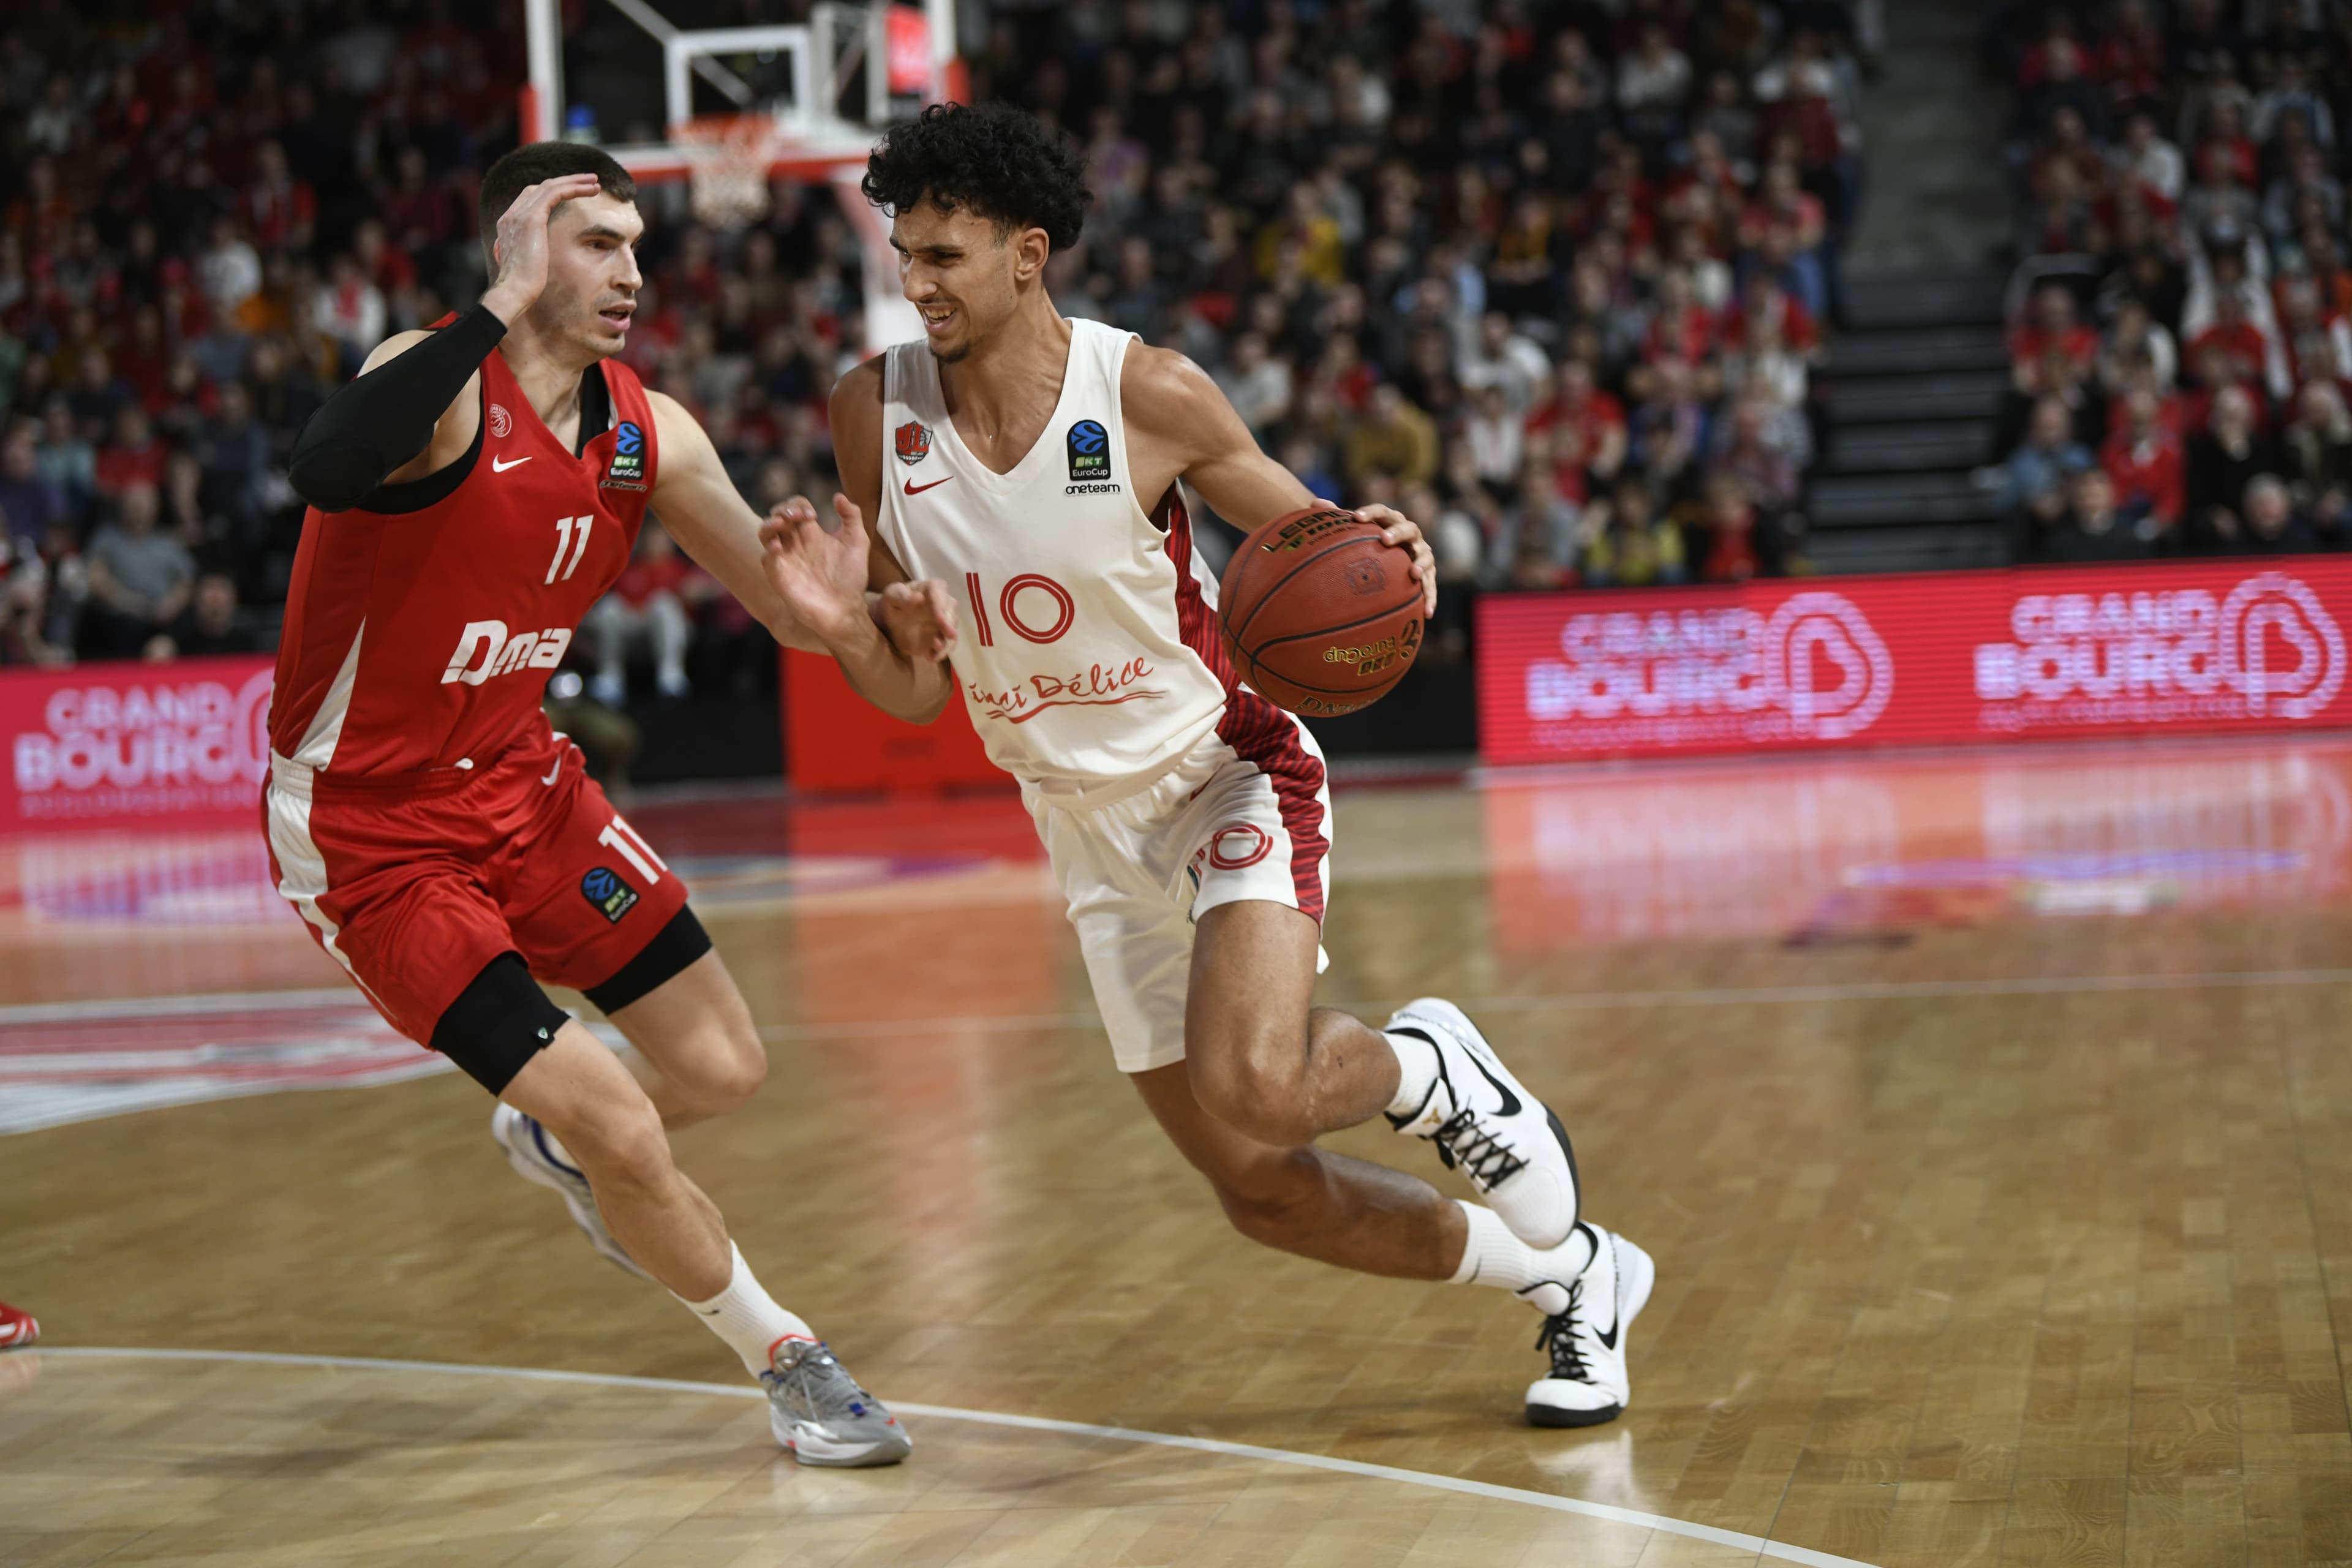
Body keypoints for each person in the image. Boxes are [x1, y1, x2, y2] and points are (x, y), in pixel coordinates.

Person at [764, 102, 1646, 1430]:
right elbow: (911, 683)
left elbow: (1323, 548)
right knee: (1265, 1188)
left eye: (945, 253)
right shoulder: (869, 415)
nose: (917, 280)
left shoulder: (1147, 393)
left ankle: (1430, 1069)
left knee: (1256, 1079)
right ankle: (1579, 1276)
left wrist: (1391, 545)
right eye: (907, 250)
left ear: (1028, 253)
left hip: (1225, 769)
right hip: (1080, 825)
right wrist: (842, 630)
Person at [273, 142, 956, 1467]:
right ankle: (789, 1356)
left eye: (637, 246)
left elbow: (799, 620)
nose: (632, 272)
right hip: (376, 832)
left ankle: (546, 1130)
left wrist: (857, 619)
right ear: (519, 249)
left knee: (721, 1066)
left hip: (528, 787)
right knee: (627, 1122)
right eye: (597, 242)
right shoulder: (430, 387)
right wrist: (490, 308)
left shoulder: (650, 428)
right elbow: (323, 463)